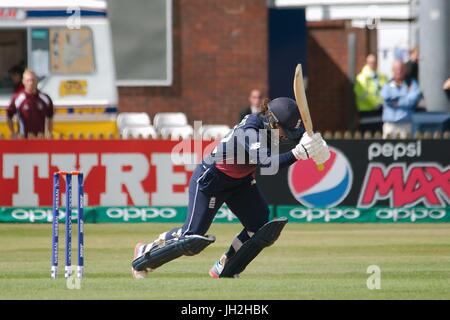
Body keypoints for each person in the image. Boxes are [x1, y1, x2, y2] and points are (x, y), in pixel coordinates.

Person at [131, 97, 330, 279]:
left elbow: (300, 136)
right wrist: (299, 153)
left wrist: (317, 146)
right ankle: (145, 253)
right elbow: (268, 163)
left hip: (240, 182)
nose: (285, 137)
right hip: (211, 180)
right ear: (272, 122)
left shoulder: (273, 127)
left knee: (260, 226)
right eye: (284, 132)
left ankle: (225, 267)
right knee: (191, 238)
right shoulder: (250, 132)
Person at [7, 69, 54, 139]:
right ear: (23, 82)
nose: (31, 83)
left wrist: (49, 132)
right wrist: (13, 132)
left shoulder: (45, 98)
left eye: (33, 80)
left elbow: (50, 117)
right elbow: (9, 116)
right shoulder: (17, 98)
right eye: (28, 80)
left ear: (37, 81)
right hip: (23, 139)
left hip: (40, 138)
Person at [381, 60, 422, 139]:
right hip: (390, 125)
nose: (399, 71)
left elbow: (413, 99)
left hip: (406, 125)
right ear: (392, 70)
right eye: (396, 69)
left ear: (405, 70)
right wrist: (404, 98)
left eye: (401, 69)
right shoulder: (387, 84)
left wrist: (397, 101)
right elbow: (386, 98)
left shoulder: (411, 83)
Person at [354, 54, 387, 132]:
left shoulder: (382, 76)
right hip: (366, 112)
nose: (373, 64)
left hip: (380, 111)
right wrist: (374, 104)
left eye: (374, 62)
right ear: (367, 63)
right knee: (366, 136)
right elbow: (361, 96)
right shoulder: (361, 78)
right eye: (371, 62)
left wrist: (381, 104)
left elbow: (386, 92)